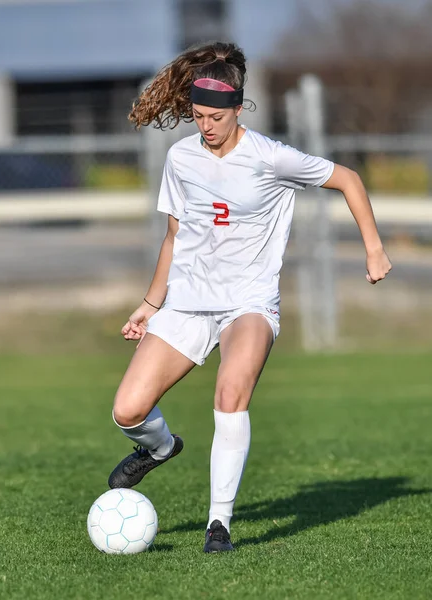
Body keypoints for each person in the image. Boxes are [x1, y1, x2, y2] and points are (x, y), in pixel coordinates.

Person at [107, 41, 392, 553]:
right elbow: (175, 236)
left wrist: (374, 249)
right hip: (188, 303)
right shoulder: (181, 157)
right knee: (127, 411)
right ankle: (162, 447)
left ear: (239, 108)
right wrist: (150, 306)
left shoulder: (270, 157)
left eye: (216, 116)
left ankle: (219, 525)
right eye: (197, 116)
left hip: (248, 303)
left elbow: (348, 179)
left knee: (229, 394)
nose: (207, 127)